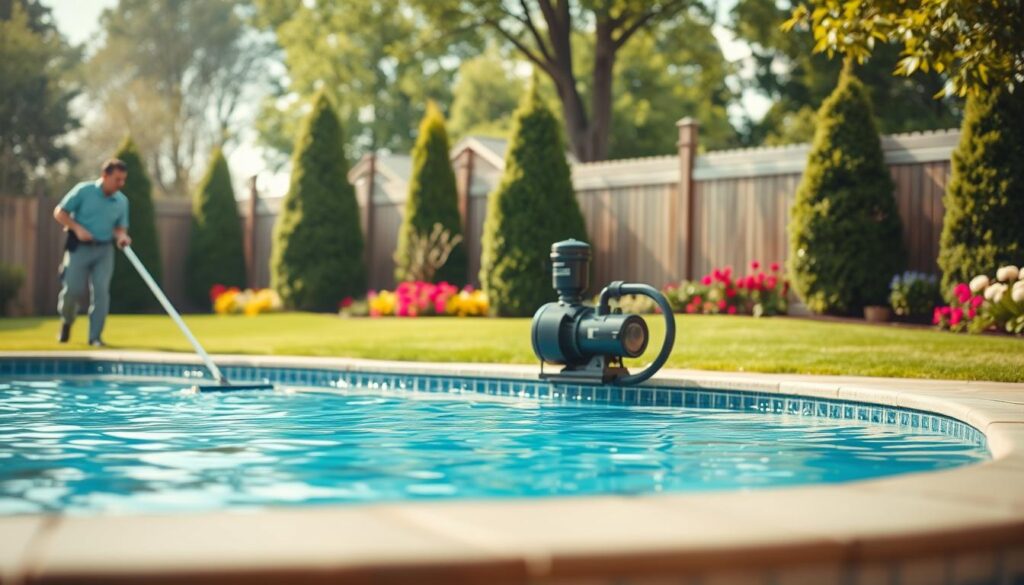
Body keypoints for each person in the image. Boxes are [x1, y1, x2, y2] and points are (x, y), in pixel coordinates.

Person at [53, 159, 132, 346]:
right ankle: (67, 321)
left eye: (123, 180)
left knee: (101, 292)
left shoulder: (121, 201)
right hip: (79, 248)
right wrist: (77, 228)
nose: (121, 184)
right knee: (72, 290)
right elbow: (60, 212)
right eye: (117, 179)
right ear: (105, 175)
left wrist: (122, 237)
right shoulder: (84, 191)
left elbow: (121, 228)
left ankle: (95, 337)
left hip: (104, 250)